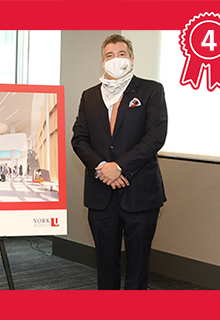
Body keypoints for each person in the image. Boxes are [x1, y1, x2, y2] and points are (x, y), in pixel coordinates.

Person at [71, 34, 167, 290]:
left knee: (137, 267)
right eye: (110, 56)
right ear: (102, 62)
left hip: (140, 194)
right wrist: (103, 168)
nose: (116, 60)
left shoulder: (151, 90)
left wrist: (120, 166)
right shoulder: (89, 96)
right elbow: (79, 139)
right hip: (101, 195)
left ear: (132, 60)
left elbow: (155, 136)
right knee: (105, 265)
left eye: (121, 54)